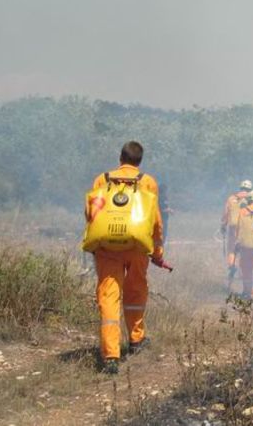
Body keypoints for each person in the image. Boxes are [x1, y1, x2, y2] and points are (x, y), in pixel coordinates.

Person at [89, 141, 171, 375]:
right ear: (139, 161)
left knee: (109, 297)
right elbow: (155, 221)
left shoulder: (101, 179)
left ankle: (111, 356)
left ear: (120, 158)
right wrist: (157, 253)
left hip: (107, 250)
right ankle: (136, 340)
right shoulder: (147, 181)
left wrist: (96, 243)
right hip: (136, 247)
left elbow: (92, 214)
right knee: (135, 292)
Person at [221, 180, 253, 279]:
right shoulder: (251, 199)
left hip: (233, 226)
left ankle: (232, 265)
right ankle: (243, 272)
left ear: (240, 188)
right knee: (245, 250)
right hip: (247, 228)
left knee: (232, 249)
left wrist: (223, 225)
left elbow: (226, 213)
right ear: (250, 189)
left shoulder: (232, 198)